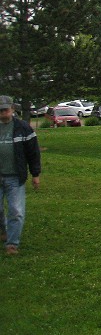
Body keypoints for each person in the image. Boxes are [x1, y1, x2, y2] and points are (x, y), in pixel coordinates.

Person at [0, 95, 42, 255]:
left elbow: (33, 153)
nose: (3, 113)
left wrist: (35, 174)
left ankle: (12, 244)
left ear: (12, 110)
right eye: (0, 111)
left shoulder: (23, 128)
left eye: (5, 110)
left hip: (15, 177)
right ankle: (3, 230)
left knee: (16, 211)